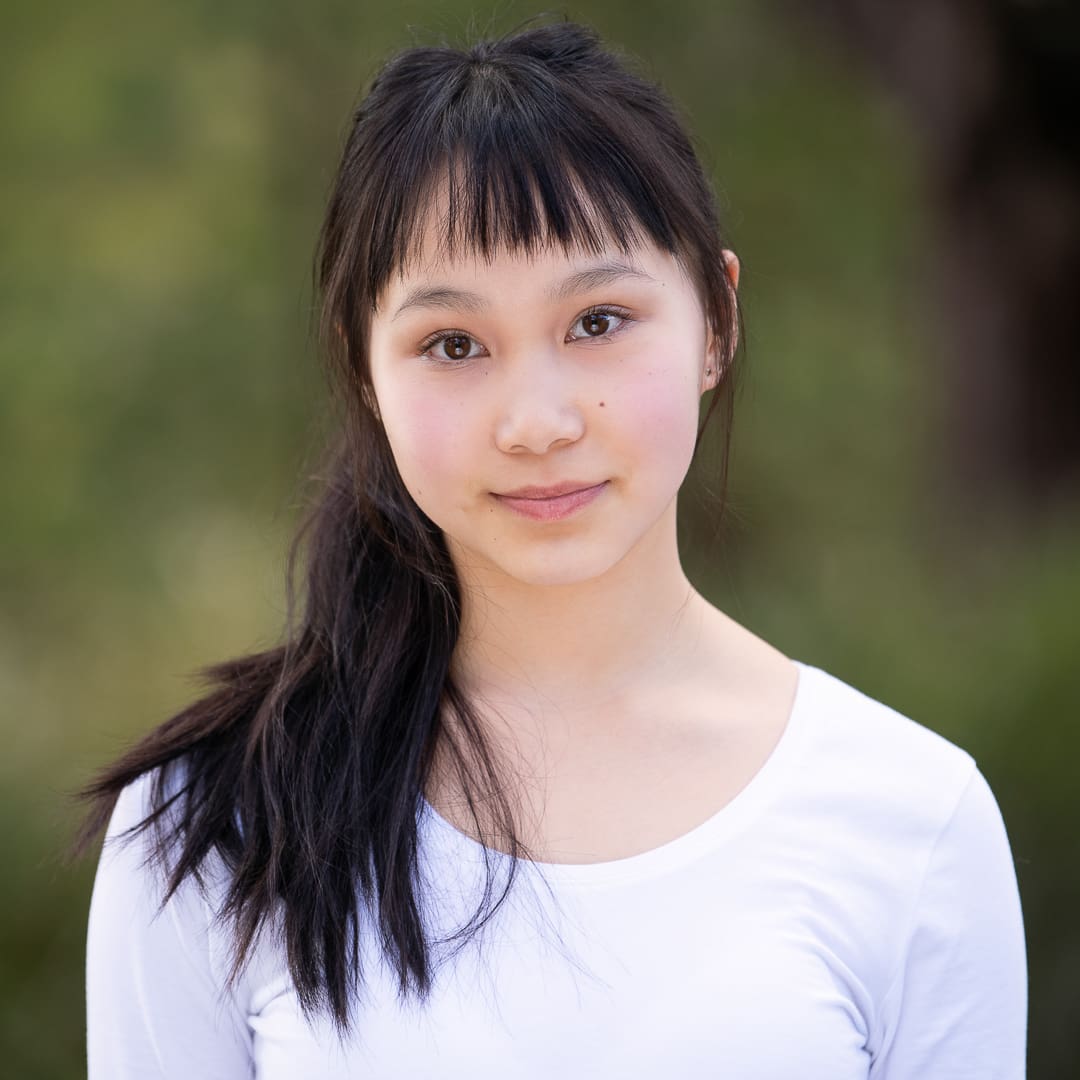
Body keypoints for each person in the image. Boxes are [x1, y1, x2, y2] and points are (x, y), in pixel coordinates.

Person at [80, 20, 1028, 1079]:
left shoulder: (910, 817)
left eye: (598, 321)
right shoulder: (212, 825)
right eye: (454, 345)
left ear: (715, 320)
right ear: (363, 369)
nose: (536, 421)